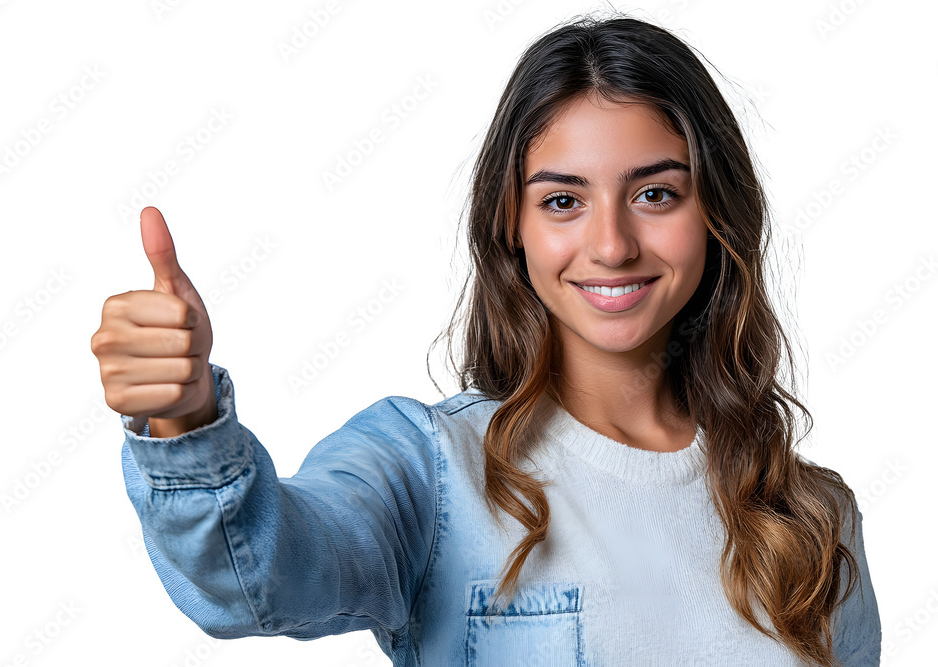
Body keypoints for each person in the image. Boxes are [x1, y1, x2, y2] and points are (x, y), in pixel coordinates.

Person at [90, 12, 882, 666]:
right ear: (512, 223)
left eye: (654, 193)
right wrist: (187, 422)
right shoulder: (428, 470)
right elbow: (254, 578)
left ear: (715, 213)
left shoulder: (810, 518)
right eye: (564, 200)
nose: (612, 245)